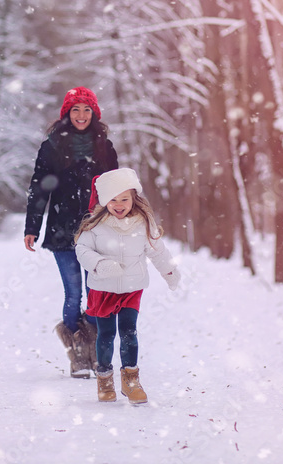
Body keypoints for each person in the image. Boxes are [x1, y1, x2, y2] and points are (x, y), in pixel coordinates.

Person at [25, 87, 118, 378]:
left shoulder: (105, 146)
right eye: (75, 110)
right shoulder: (51, 146)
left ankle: (90, 347)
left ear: (94, 114)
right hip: (62, 230)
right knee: (73, 293)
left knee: (95, 294)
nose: (81, 115)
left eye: (86, 110)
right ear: (67, 113)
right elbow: (39, 188)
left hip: (96, 230)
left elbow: (118, 190)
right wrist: (32, 227)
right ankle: (78, 354)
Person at [74, 167, 181, 404]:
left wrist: (170, 271)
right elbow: (82, 250)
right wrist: (100, 264)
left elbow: (158, 251)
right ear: (104, 201)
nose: (119, 204)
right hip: (103, 289)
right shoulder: (95, 225)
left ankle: (131, 381)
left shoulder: (143, 223)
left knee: (129, 332)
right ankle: (104, 378)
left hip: (132, 288)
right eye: (113, 199)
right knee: (106, 334)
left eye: (124, 199)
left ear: (134, 198)